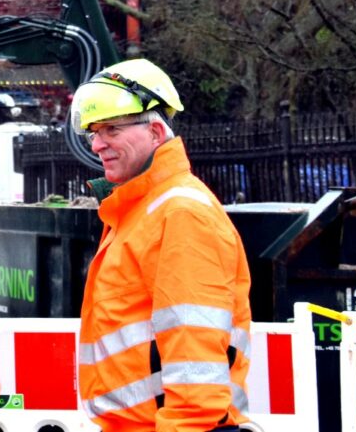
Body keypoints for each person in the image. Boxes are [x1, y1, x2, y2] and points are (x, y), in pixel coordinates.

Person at [69, 59, 252, 432]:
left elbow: (194, 351)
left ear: (154, 130)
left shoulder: (179, 212)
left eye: (111, 130)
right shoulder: (141, 211)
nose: (98, 144)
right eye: (93, 132)